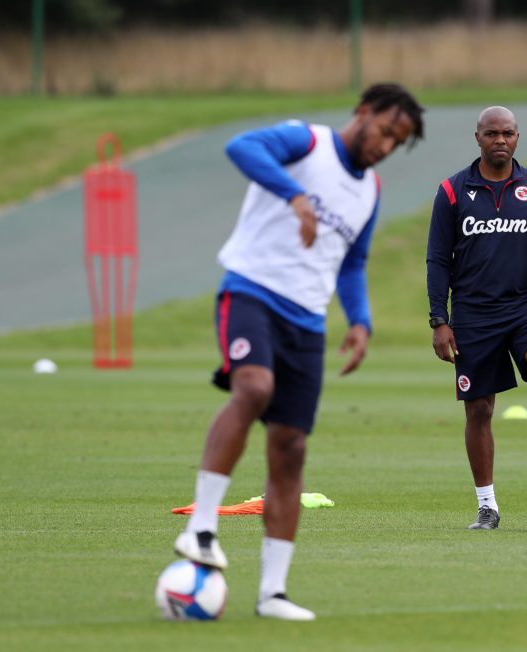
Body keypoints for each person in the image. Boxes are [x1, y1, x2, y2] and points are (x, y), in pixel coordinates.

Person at [173, 83, 424, 620]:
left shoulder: (370, 191)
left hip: (308, 322)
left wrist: (360, 322)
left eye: (396, 143)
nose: (384, 146)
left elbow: (352, 262)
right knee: (254, 388)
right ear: (363, 111)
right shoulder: (305, 142)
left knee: (291, 449)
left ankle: (272, 595)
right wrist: (295, 195)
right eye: (384, 131)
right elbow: (241, 147)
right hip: (251, 293)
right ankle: (201, 528)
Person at [426, 105, 527, 531]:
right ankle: (487, 506)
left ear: (518, 137)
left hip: (523, 308)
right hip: (473, 315)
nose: (500, 140)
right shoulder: (453, 191)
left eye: (508, 133)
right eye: (492, 133)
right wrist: (439, 319)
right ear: (477, 137)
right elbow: (438, 260)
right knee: (478, 410)